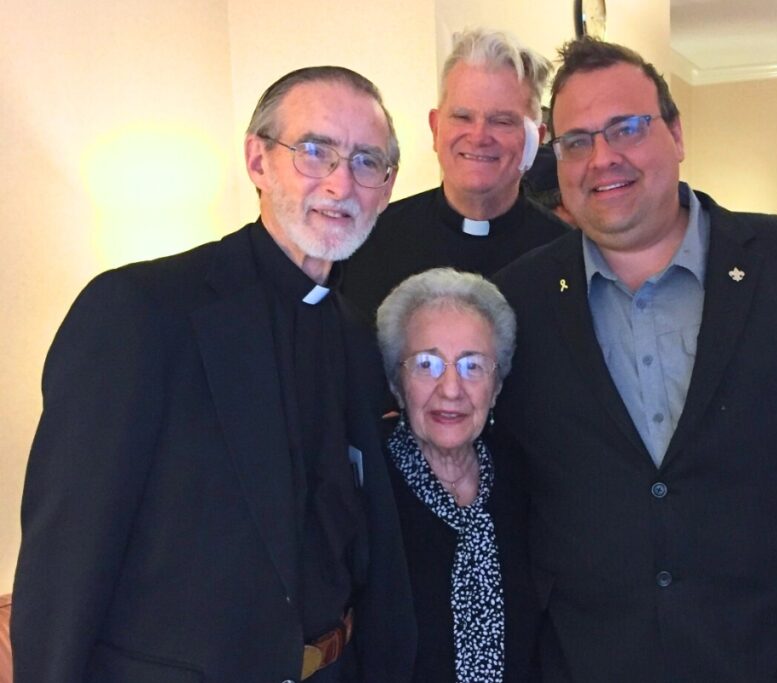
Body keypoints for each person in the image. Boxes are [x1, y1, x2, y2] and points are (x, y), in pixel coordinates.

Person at [493, 38, 777, 683]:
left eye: (627, 128)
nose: (603, 157)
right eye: (577, 140)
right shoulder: (516, 301)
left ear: (675, 132)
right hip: (592, 655)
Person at [12, 66, 415, 682]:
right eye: (315, 151)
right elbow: (66, 563)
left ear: (386, 188)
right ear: (258, 160)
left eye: (367, 162)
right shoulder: (141, 311)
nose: (342, 183)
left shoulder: (358, 337)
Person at [376, 268, 538, 683]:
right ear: (398, 383)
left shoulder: (524, 478)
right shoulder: (365, 487)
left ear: (497, 386)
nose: (451, 389)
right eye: (427, 364)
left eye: (473, 366)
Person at [341, 28, 568, 321]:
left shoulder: (565, 256)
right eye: (462, 117)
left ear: (535, 139)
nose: (479, 136)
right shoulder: (369, 245)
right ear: (436, 129)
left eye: (501, 121)